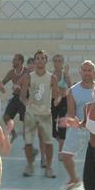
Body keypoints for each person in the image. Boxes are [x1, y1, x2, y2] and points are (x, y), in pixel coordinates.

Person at [59, 60, 95, 190]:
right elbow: (70, 112)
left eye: (89, 70)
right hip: (79, 128)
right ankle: (74, 179)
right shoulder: (73, 91)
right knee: (65, 155)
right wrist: (70, 120)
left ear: (94, 72)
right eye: (84, 70)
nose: (87, 73)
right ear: (80, 72)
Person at [19, 50, 58, 178]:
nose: (40, 60)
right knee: (28, 142)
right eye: (37, 58)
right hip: (31, 113)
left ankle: (49, 167)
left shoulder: (52, 77)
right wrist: (26, 103)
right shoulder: (28, 77)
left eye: (42, 58)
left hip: (46, 114)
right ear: (34, 61)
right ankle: (29, 165)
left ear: (46, 61)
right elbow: (22, 96)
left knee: (48, 142)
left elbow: (57, 96)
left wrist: (57, 101)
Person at [1, 53, 29, 134]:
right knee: (6, 117)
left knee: (25, 121)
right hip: (16, 97)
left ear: (20, 61)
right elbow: (3, 82)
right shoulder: (11, 72)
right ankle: (13, 133)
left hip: (25, 97)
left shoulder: (26, 71)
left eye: (14, 60)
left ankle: (27, 142)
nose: (12, 61)